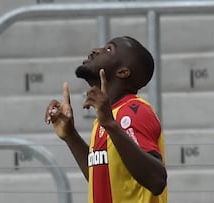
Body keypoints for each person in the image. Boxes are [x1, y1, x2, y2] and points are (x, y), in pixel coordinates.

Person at [45, 36, 167, 203]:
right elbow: (101, 178)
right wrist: (71, 136)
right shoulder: (106, 118)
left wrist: (110, 124)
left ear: (122, 72)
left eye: (109, 49)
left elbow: (157, 180)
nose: (96, 50)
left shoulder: (135, 111)